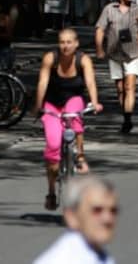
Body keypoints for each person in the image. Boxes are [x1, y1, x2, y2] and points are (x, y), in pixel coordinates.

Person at [32, 29, 103, 210]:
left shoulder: (83, 60)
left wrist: (95, 103)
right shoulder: (50, 59)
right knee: (53, 146)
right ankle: (51, 192)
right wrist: (38, 106)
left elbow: (90, 82)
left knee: (75, 118)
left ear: (77, 43)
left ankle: (79, 156)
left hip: (73, 99)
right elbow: (42, 83)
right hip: (52, 104)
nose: (65, 46)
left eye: (69, 42)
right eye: (62, 42)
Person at [95, 0, 138, 134]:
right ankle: (125, 114)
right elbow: (100, 29)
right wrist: (99, 49)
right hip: (114, 54)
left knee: (130, 87)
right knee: (120, 88)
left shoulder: (136, 9)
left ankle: (128, 119)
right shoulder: (109, 9)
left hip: (132, 53)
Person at [33, 176, 119, 264]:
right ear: (72, 216)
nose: (107, 218)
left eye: (113, 211)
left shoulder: (102, 256)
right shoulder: (62, 260)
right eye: (97, 210)